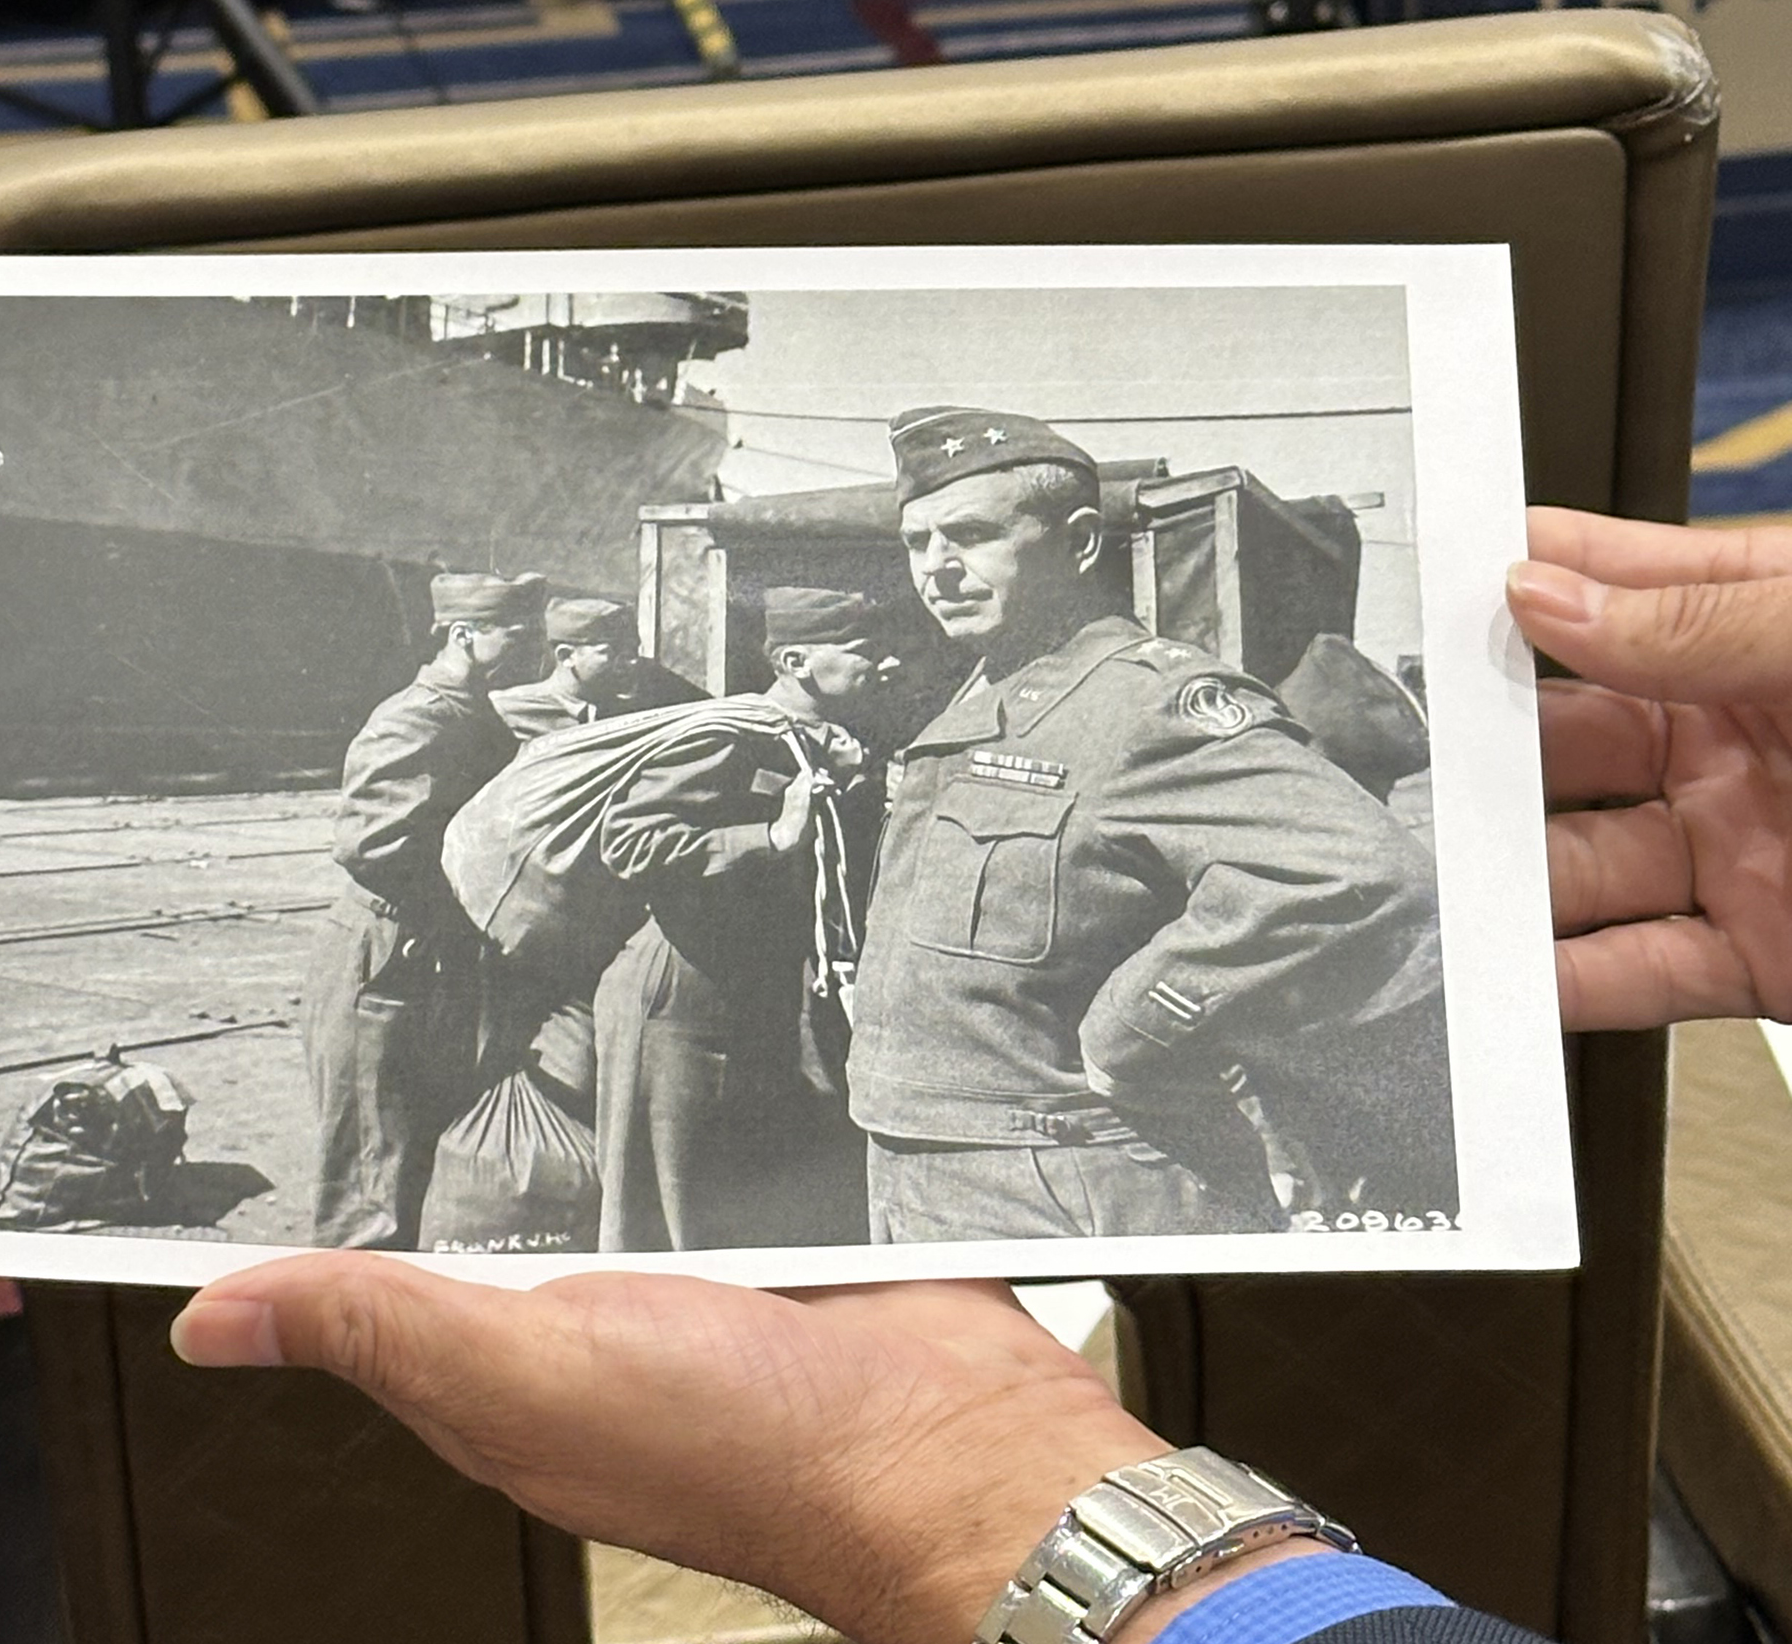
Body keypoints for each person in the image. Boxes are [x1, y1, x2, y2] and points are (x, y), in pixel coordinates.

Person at [168, 504, 1792, 1644]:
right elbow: (605, 856)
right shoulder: (756, 743)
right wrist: (781, 839)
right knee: (615, 1204)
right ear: (843, 668)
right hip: (667, 996)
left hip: (727, 1014)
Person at [850, 407, 1450, 1239]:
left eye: (971, 535)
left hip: (1067, 1176)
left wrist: (1133, 1028)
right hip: (926, 1165)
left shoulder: (1149, 702)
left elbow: (1360, 876)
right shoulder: (986, 693)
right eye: (917, 543)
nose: (937, 569)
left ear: (1082, 542)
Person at [592, 586, 899, 1251]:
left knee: (735, 1199)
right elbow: (627, 842)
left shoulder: (824, 740)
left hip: (753, 991)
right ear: (795, 661)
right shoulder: (727, 733)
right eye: (862, 652)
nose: (886, 664)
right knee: (673, 1210)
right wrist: (770, 836)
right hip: (679, 992)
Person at [300, 570, 545, 1249]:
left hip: (430, 955)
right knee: (371, 1177)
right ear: (464, 636)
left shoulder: (474, 710)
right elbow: (371, 844)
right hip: (389, 955)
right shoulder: (417, 716)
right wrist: (488, 894)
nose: (533, 652)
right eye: (517, 637)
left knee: (414, 1158)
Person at [492, 595, 645, 741]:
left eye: (633, 651)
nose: (633, 661)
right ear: (567, 656)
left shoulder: (635, 714)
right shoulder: (507, 711)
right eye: (613, 652)